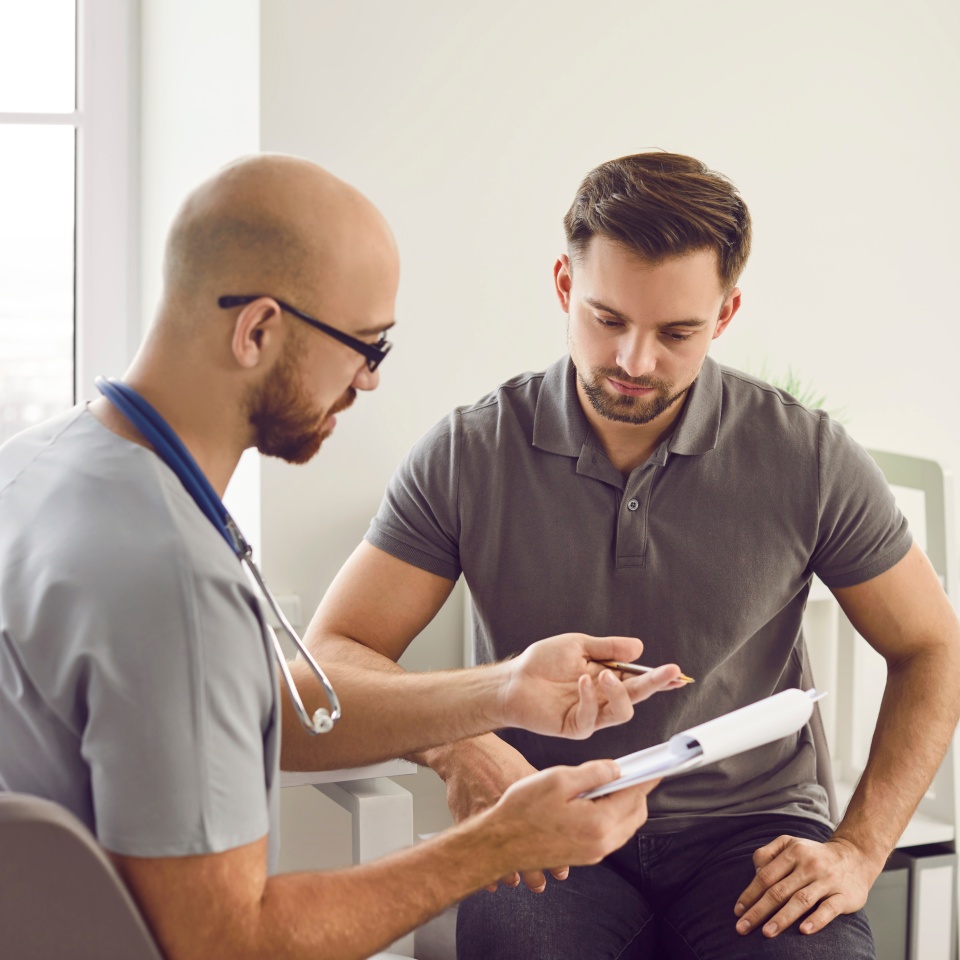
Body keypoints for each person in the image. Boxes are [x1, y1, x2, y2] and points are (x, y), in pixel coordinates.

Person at [0, 154, 688, 960]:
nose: (367, 382)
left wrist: (503, 692)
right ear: (257, 328)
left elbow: (250, 713)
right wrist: (496, 846)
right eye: (367, 346)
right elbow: (227, 945)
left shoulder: (37, 465)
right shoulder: (176, 585)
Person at [304, 151, 960, 959]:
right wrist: (458, 746)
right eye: (607, 319)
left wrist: (860, 850)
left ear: (724, 315)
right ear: (562, 287)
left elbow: (932, 646)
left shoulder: (807, 455)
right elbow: (335, 655)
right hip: (547, 822)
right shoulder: (469, 453)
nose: (634, 362)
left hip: (750, 834)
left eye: (677, 332)